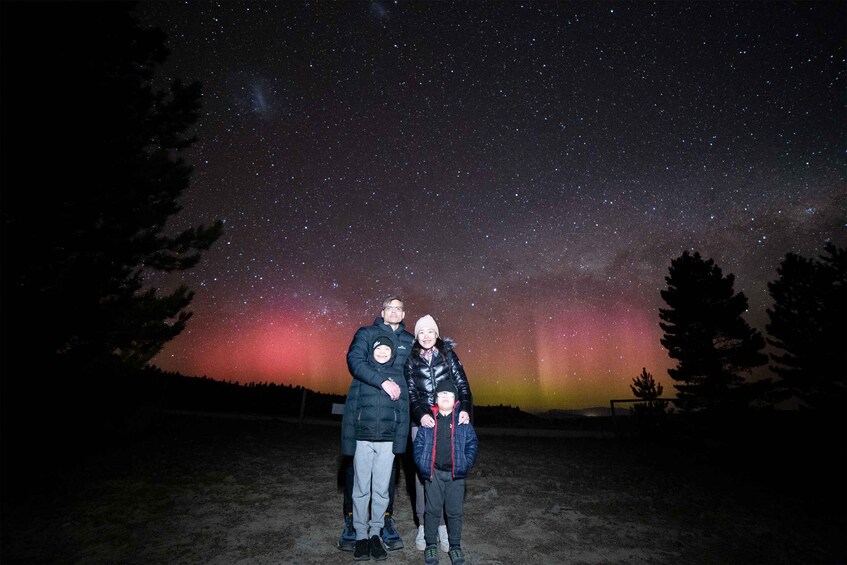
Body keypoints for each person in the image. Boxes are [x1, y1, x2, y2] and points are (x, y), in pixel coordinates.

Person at [339, 296, 415, 552]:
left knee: (385, 482)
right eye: (389, 308)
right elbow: (355, 361)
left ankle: (381, 525)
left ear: (404, 313)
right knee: (359, 480)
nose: (394, 311)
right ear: (382, 312)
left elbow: (417, 372)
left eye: (399, 308)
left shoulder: (410, 340)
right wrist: (382, 382)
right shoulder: (367, 333)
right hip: (365, 420)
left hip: (390, 424)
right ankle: (353, 525)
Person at [404, 315, 473, 553]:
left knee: (449, 470)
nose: (425, 336)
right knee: (424, 475)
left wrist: (464, 409)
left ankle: (443, 525)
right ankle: (425, 525)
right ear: (417, 336)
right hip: (423, 423)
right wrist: (421, 414)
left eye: (430, 332)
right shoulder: (411, 360)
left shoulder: (448, 355)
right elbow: (412, 393)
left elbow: (463, 385)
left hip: (449, 420)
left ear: (436, 334)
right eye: (421, 332)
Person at [345, 335, 410, 561]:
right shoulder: (362, 374)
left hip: (387, 443)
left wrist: (400, 444)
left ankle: (375, 533)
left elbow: (403, 413)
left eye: (387, 349)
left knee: (381, 490)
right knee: (361, 489)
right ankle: (360, 535)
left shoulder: (398, 377)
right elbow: (350, 409)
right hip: (363, 440)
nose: (382, 352)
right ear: (372, 351)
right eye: (378, 348)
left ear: (393, 354)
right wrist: (348, 443)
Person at [413, 379, 478, 565]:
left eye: (449, 395)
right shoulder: (429, 421)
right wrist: (422, 464)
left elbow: (472, 443)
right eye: (441, 395)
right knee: (432, 511)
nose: (445, 397)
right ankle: (431, 544)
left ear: (456, 399)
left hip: (455, 476)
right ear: (436, 398)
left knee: (454, 512)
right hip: (433, 475)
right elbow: (418, 445)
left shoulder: (462, 420)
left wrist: (466, 462)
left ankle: (455, 546)